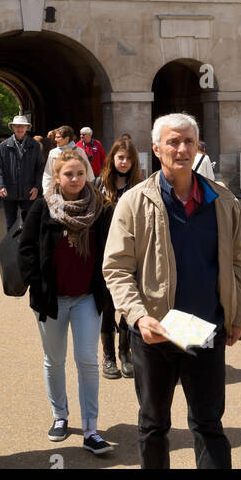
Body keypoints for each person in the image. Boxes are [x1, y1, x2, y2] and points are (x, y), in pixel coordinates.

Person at [103, 112, 241, 470]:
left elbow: (237, 263)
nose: (181, 149)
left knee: (208, 424)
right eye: (173, 142)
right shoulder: (134, 202)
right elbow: (117, 268)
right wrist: (138, 317)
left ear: (198, 147)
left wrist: (238, 314)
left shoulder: (223, 200)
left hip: (203, 328)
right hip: (156, 330)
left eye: (188, 142)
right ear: (156, 149)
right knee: (153, 425)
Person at [18, 146, 115, 456]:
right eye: (69, 174)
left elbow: (110, 247)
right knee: (54, 360)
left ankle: (91, 428)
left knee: (87, 360)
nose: (75, 178)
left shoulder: (98, 206)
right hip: (52, 299)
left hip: (87, 296)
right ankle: (60, 416)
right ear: (57, 177)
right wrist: (37, 281)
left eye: (80, 173)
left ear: (87, 174)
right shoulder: (43, 207)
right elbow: (26, 248)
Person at [96, 136, 142, 380]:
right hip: (105, 254)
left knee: (127, 306)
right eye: (120, 157)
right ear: (112, 158)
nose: (124, 162)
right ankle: (108, 355)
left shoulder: (139, 187)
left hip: (131, 254)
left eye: (128, 158)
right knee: (107, 307)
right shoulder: (100, 185)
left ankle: (126, 351)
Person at [0, 115, 44, 231]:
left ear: (27, 128)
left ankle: (27, 247)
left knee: (30, 224)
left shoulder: (34, 145)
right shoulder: (4, 146)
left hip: (29, 192)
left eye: (22, 126)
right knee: (10, 224)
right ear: (12, 127)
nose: (20, 129)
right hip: (9, 192)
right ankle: (11, 248)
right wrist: (0, 186)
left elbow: (40, 168)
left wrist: (37, 187)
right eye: (17, 126)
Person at [42, 125, 76, 196]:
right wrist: (46, 191)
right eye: (55, 137)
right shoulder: (53, 152)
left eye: (58, 137)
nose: (55, 140)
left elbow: (88, 174)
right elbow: (48, 173)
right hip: (57, 192)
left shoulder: (79, 151)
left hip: (76, 190)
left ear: (66, 139)